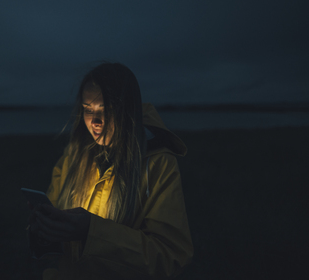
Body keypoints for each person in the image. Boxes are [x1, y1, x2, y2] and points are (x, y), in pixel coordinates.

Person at [29, 63, 193, 279]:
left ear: (129, 110)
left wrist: (91, 232)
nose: (95, 121)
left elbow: (170, 256)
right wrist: (43, 228)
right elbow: (53, 214)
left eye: (106, 109)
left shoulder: (157, 164)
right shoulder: (73, 156)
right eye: (88, 109)